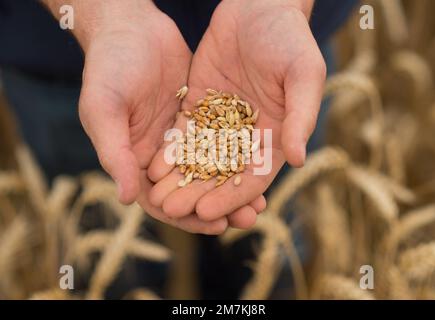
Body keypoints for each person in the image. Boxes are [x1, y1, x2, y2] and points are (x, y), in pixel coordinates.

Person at [0, 0, 358, 298]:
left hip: (271, 54)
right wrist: (102, 14)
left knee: (267, 246)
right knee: (102, 248)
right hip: (60, 49)